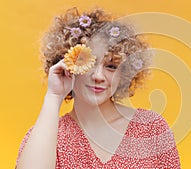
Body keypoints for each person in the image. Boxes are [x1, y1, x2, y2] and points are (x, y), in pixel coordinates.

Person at [15, 7, 181, 169]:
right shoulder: (45, 136)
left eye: (111, 66)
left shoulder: (151, 128)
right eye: (89, 63)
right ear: (68, 65)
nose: (98, 76)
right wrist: (54, 95)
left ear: (124, 73)